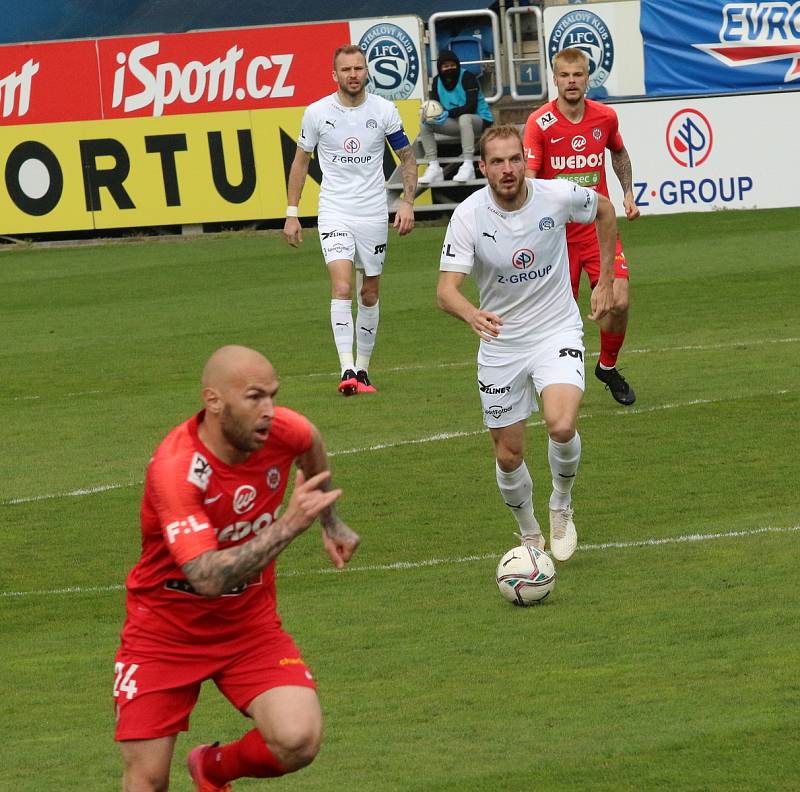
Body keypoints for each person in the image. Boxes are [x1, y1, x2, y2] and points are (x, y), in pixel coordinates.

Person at [113, 345, 360, 792]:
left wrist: (331, 521)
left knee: (298, 739)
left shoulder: (283, 430)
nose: (269, 410)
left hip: (248, 625)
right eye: (255, 397)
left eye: (273, 395)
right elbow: (206, 576)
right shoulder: (177, 469)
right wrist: (288, 525)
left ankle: (212, 768)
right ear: (213, 401)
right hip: (164, 632)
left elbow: (312, 444)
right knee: (147, 782)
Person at [436, 126, 616, 560]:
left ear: (524, 159)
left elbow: (606, 212)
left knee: (561, 424)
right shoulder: (469, 216)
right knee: (509, 455)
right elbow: (446, 290)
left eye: (514, 159)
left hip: (557, 331)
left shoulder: (555, 195)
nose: (508, 169)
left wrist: (605, 278)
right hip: (501, 345)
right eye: (497, 162)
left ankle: (561, 503)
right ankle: (529, 533)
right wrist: (471, 312)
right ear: (483, 168)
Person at [283, 44, 417, 397]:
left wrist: (407, 201)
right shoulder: (316, 113)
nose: (353, 74)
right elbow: (300, 162)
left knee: (369, 292)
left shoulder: (384, 110)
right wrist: (292, 212)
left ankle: (364, 370)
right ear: (335, 75)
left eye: (359, 68)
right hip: (334, 211)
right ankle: (346, 368)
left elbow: (406, 157)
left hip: (373, 212)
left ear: (366, 72)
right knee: (342, 287)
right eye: (347, 69)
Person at [523, 47, 641, 406]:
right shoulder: (539, 123)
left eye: (577, 75)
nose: (571, 81)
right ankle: (540, 377)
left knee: (618, 300)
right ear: (554, 79)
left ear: (588, 78)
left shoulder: (605, 117)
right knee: (553, 318)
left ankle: (607, 367)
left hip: (596, 232)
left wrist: (628, 192)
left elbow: (617, 152)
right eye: (564, 75)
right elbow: (530, 177)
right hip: (554, 237)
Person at [418, 48, 494, 185]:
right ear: (440, 68)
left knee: (465, 117)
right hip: (455, 122)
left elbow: (470, 107)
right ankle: (434, 167)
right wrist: (432, 115)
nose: (450, 69)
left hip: (479, 121)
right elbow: (436, 105)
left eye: (453, 65)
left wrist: (448, 113)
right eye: (445, 66)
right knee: (425, 123)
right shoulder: (436, 81)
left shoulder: (468, 77)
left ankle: (468, 165)